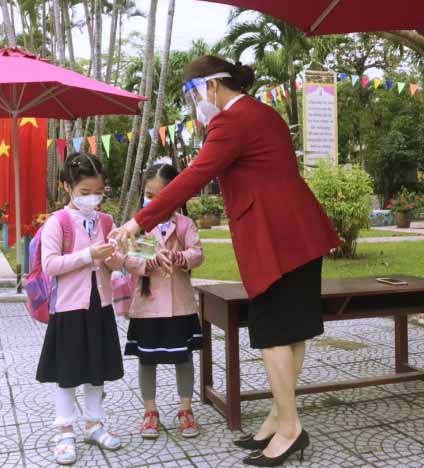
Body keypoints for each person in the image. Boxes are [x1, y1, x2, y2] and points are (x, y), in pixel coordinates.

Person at [111, 56, 341, 467]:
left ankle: (290, 429)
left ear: (212, 87)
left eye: (194, 93)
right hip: (301, 234)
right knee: (292, 332)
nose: (196, 102)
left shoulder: (231, 122)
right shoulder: (263, 113)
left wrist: (136, 222)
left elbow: (191, 177)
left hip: (276, 240)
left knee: (273, 335)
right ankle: (280, 415)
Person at [35, 153, 124, 466]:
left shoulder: (106, 221)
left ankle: (94, 425)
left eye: (98, 192)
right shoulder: (57, 223)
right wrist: (88, 254)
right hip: (70, 308)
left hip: (100, 304)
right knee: (68, 372)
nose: (92, 199)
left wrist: (114, 257)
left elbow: (117, 262)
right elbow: (49, 265)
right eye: (85, 193)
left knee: (96, 368)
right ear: (67, 187)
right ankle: (65, 430)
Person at [123, 163, 205, 440]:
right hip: (148, 307)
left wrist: (180, 257)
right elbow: (129, 260)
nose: (155, 202)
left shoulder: (184, 224)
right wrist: (152, 261)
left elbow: (198, 253)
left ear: (177, 196)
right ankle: (150, 412)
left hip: (179, 306)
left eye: (163, 196)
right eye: (149, 194)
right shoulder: (139, 226)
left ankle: (185, 409)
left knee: (183, 358)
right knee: (147, 360)